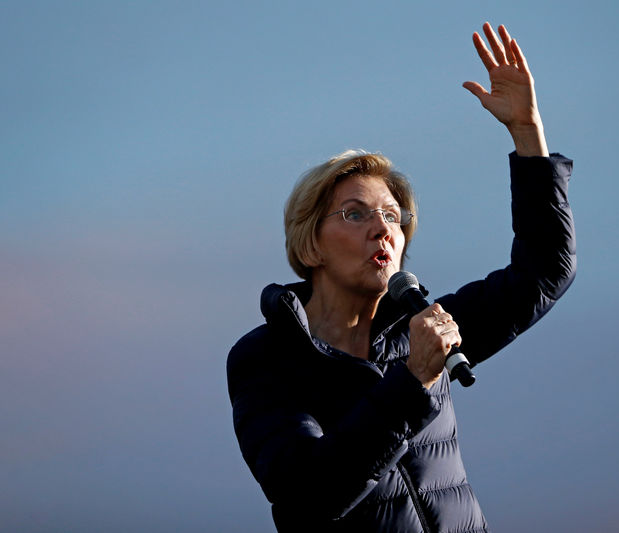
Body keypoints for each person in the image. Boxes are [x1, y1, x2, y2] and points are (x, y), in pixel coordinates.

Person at [227, 22, 576, 532]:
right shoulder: (267, 358)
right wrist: (413, 381)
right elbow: (305, 499)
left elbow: (544, 272)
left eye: (393, 217)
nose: (382, 231)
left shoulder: (422, 326)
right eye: (355, 214)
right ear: (309, 244)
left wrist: (528, 134)